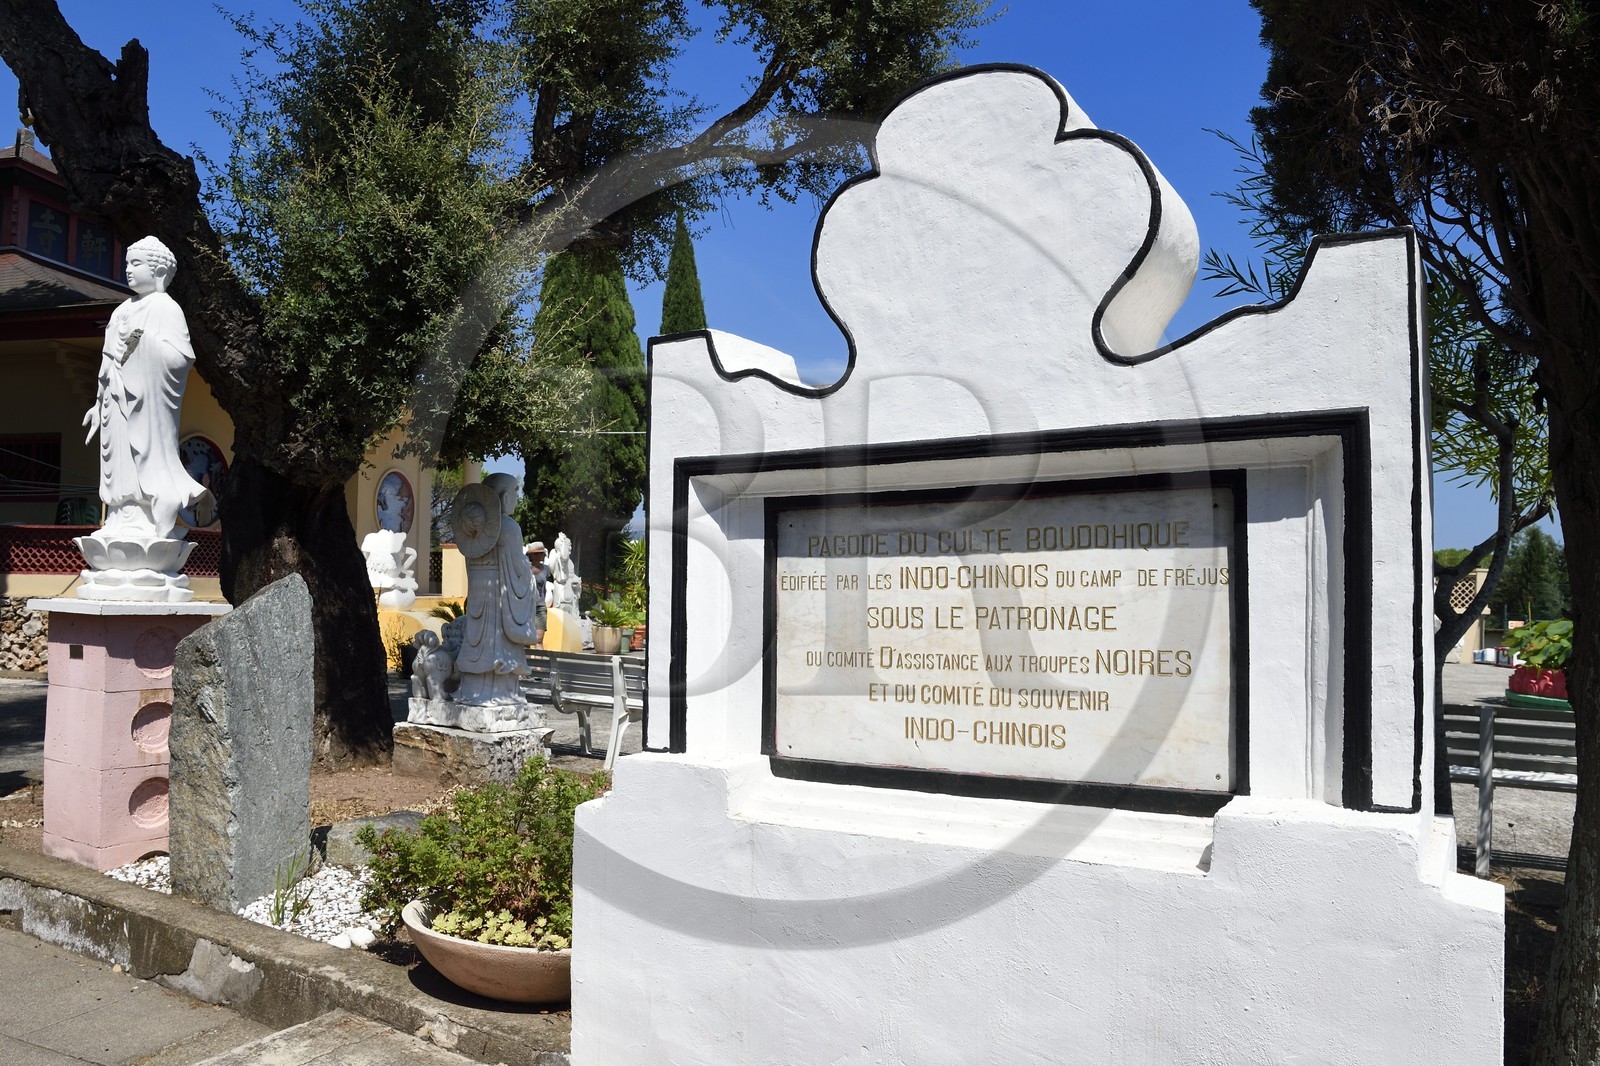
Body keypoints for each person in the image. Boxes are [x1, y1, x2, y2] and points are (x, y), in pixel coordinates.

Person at [84, 236, 206, 541]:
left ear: (159, 271)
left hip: (147, 402)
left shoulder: (165, 307)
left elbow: (180, 359)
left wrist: (143, 346)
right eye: (127, 263)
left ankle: (150, 514)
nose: (128, 269)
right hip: (116, 400)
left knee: (146, 453)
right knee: (119, 459)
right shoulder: (120, 310)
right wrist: (98, 405)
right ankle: (119, 516)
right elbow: (108, 362)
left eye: (136, 263)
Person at [454, 473, 539, 709]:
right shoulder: (509, 528)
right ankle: (500, 693)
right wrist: (530, 583)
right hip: (500, 600)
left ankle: (473, 689)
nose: (517, 499)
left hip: (478, 597)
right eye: (515, 493)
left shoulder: (471, 531)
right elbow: (519, 571)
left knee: (477, 642)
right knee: (498, 646)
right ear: (504, 496)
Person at [526, 540, 551, 647]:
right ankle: (525, 663)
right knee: (525, 640)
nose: (544, 555)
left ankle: (540, 664)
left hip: (540, 606)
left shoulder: (546, 569)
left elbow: (544, 588)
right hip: (526, 606)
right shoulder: (525, 568)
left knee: (539, 639)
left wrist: (543, 602)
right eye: (542, 553)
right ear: (534, 555)